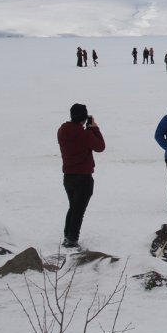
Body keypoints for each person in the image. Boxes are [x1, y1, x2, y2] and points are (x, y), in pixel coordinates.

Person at [57, 104, 105, 249]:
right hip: (83, 177)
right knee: (78, 211)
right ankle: (72, 240)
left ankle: (67, 236)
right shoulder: (85, 134)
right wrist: (94, 128)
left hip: (68, 177)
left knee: (73, 208)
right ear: (84, 117)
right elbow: (100, 147)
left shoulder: (62, 131)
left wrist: (88, 129)